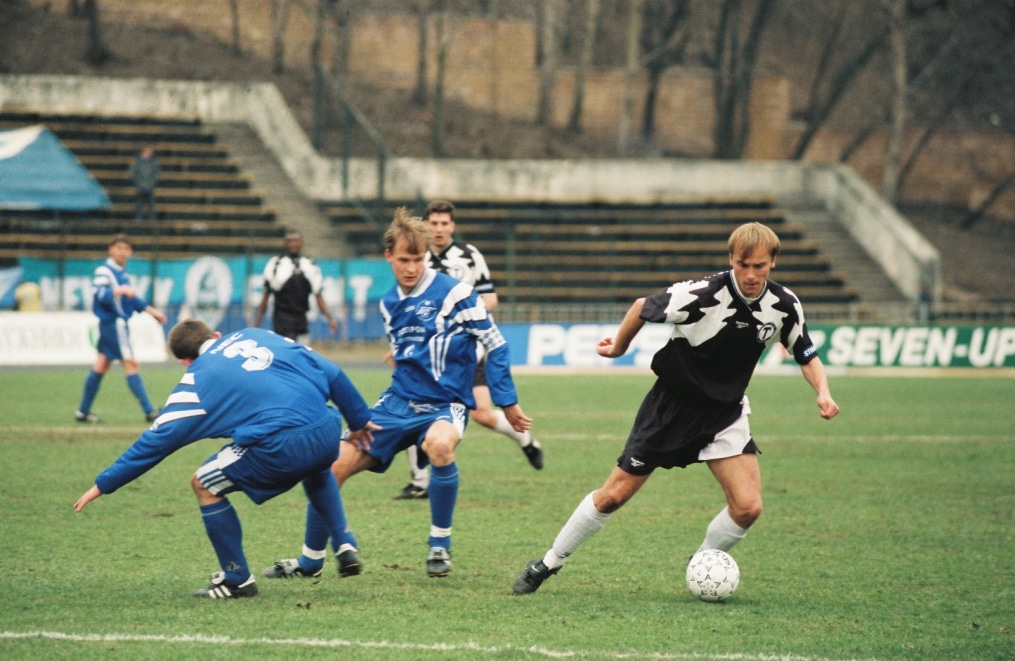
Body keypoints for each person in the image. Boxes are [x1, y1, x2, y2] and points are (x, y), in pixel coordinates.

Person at [512, 222, 840, 595]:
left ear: (773, 263)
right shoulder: (700, 294)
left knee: (748, 507)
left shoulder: (784, 305)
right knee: (613, 496)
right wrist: (618, 348)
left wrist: (823, 392)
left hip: (724, 413)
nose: (750, 275)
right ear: (731, 259)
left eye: (759, 267)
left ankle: (701, 562)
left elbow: (805, 353)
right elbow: (641, 307)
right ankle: (548, 563)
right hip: (671, 407)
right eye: (742, 265)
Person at [264, 207, 532, 579]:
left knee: (439, 447)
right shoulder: (388, 302)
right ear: (389, 256)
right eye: (404, 260)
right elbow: (409, 346)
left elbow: (496, 343)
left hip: (445, 404)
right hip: (397, 403)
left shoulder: (456, 293)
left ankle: (439, 544)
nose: (412, 268)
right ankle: (311, 561)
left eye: (418, 259)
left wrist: (508, 401)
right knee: (329, 465)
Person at [74, 319, 379, 599]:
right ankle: (343, 542)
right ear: (216, 335)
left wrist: (104, 483)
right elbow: (330, 370)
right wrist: (358, 418)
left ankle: (237, 579)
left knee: (204, 483)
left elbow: (156, 440)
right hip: (328, 430)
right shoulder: (256, 335)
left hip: (283, 445)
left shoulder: (196, 378)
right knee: (317, 465)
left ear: (184, 361)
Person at [393, 199, 543, 500]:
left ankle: (526, 440)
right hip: (426, 355)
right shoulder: (417, 258)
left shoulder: (469, 256)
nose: (438, 229)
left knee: (484, 415)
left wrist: (461, 317)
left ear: (452, 226)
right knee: (414, 408)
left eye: (444, 223)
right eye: (433, 223)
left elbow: (490, 299)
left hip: (465, 351)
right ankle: (420, 482)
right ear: (426, 225)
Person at [76, 234, 167, 424]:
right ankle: (149, 410)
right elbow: (99, 293)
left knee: (101, 365)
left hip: (112, 324)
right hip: (114, 323)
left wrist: (152, 311)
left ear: (131, 252)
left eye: (126, 248)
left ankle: (83, 412)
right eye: (118, 248)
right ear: (111, 250)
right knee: (131, 364)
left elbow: (132, 299)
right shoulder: (105, 271)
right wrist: (119, 290)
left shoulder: (122, 273)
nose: (122, 252)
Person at [254, 230, 339, 345]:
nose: (293, 244)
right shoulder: (275, 264)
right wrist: (258, 321)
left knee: (302, 350)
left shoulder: (309, 265)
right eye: (289, 241)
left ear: (301, 243)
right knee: (286, 350)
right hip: (281, 317)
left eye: (296, 241)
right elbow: (266, 294)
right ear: (285, 243)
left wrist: (330, 319)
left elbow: (318, 295)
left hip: (301, 317)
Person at [130, 144, 159, 221]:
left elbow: (156, 172)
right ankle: (138, 217)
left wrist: (152, 182)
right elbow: (133, 172)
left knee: (150, 203)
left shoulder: (153, 161)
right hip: (140, 186)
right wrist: (139, 182)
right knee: (139, 203)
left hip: (149, 185)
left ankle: (150, 217)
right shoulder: (137, 161)